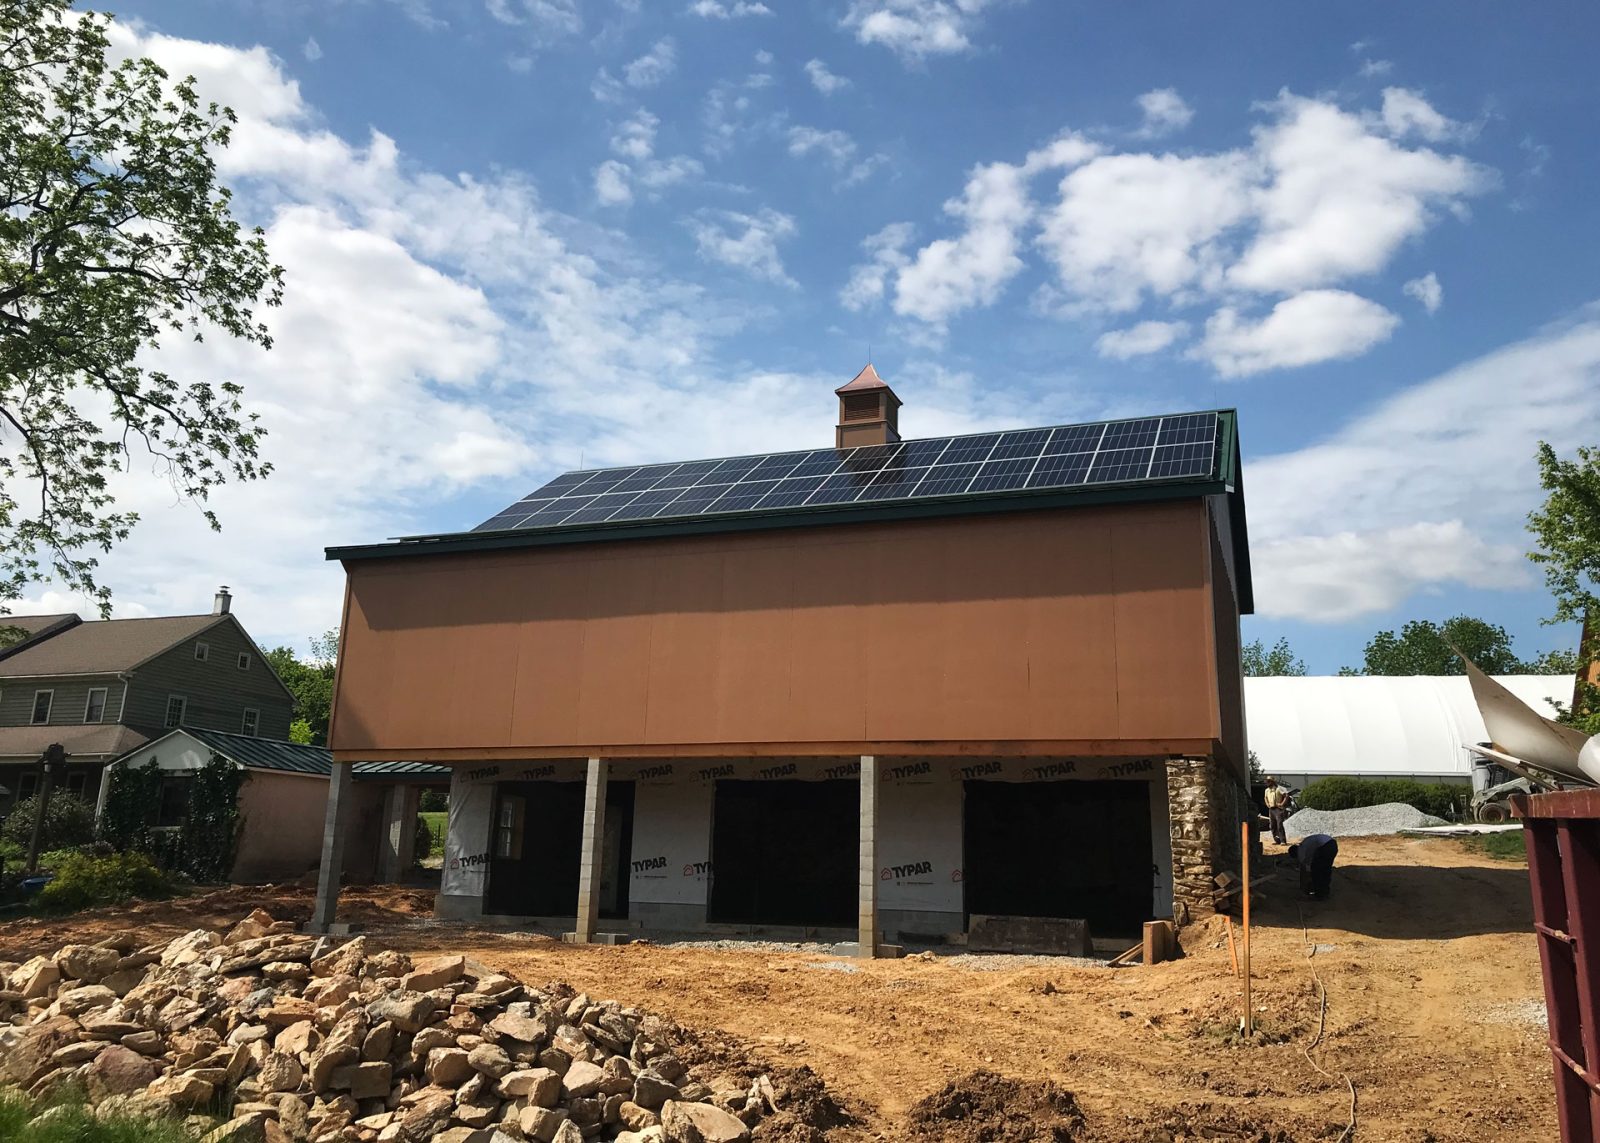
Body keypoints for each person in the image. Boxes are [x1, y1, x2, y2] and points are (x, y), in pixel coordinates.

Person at [1288, 834, 1339, 900]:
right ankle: (1325, 892)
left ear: (1295, 854)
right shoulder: (1305, 845)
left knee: (1317, 871)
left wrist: (1303, 887)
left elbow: (1305, 871)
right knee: (1326, 869)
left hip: (1325, 847)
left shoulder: (1300, 852)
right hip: (1332, 844)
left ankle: (1319, 894)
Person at [1263, 776, 1291, 845]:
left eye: (1268, 781)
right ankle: (1276, 840)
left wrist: (1282, 804)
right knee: (1272, 825)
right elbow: (1265, 798)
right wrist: (1267, 804)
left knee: (1279, 825)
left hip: (1278, 809)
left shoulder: (1278, 789)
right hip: (1271, 809)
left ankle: (1283, 841)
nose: (1267, 783)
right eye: (1266, 782)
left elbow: (1286, 796)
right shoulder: (1266, 790)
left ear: (1272, 782)